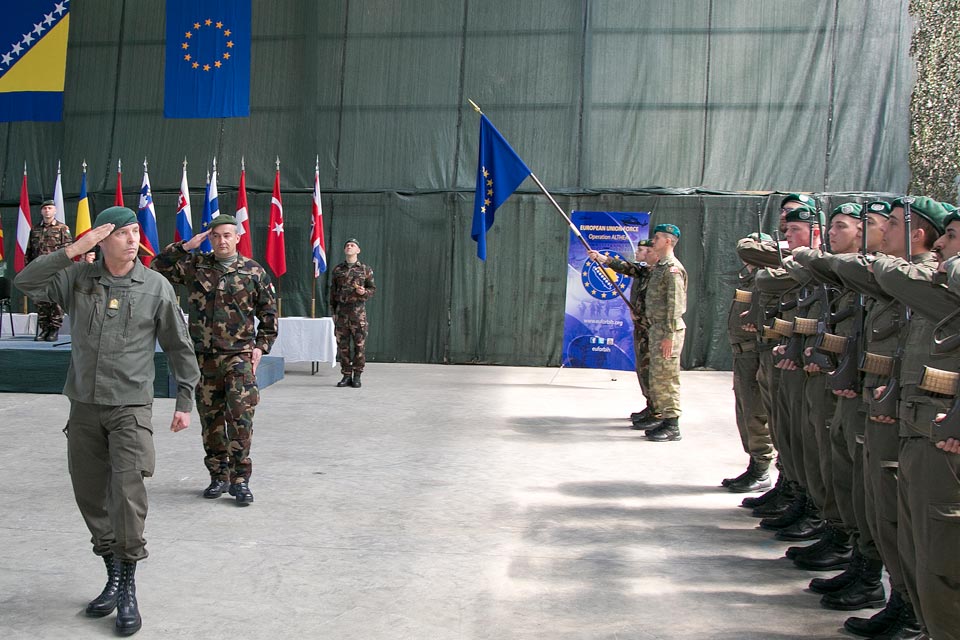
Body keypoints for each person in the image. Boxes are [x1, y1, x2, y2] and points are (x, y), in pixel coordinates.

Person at [14, 206, 200, 636]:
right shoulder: (79, 278)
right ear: (102, 239)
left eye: (136, 231)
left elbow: (179, 346)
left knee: (128, 491)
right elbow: (25, 282)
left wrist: (184, 401)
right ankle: (111, 570)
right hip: (83, 405)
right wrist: (74, 250)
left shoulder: (155, 286)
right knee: (90, 493)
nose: (133, 239)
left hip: (130, 406)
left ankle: (128, 583)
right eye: (122, 233)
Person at [151, 216, 278, 506]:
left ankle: (241, 480)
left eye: (227, 235)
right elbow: (158, 267)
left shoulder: (253, 271)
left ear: (237, 238)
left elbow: (269, 313)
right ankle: (218, 476)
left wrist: (261, 347)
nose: (222, 241)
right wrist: (185, 246)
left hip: (239, 357)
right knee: (211, 422)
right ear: (210, 239)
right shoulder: (196, 266)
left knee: (241, 419)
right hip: (204, 359)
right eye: (216, 236)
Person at [723, 233, 774, 493]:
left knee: (756, 413)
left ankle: (762, 467)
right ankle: (754, 463)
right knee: (744, 412)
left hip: (755, 352)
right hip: (743, 354)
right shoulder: (751, 278)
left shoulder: (772, 278)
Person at [587, 239, 655, 426]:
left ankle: (658, 411)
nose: (638, 253)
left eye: (643, 250)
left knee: (653, 371)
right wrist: (601, 258)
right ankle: (651, 405)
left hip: (653, 329)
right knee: (643, 368)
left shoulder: (660, 272)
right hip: (641, 327)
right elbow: (626, 267)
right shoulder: (645, 270)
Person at [635, 223, 687, 441]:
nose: (652, 241)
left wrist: (668, 336)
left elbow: (675, 306)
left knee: (667, 377)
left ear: (668, 241)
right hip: (656, 328)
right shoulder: (660, 267)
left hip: (667, 331)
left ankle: (672, 424)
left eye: (656, 238)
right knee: (657, 377)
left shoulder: (672, 269)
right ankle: (663, 418)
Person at [330, 238, 376, 388]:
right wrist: (333, 311)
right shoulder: (338, 270)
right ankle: (346, 375)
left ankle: (357, 375)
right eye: (347, 245)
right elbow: (332, 292)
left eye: (353, 245)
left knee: (359, 346)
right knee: (343, 346)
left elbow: (372, 289)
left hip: (358, 313)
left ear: (358, 250)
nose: (349, 247)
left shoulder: (365, 269)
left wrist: (364, 292)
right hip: (341, 313)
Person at [25, 198, 73, 341]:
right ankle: (44, 329)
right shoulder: (35, 229)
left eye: (50, 208)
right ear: (41, 211)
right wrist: (29, 270)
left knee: (55, 299)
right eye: (45, 208)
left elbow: (68, 250)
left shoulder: (62, 228)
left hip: (56, 270)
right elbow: (29, 251)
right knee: (41, 299)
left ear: (55, 211)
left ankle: (54, 329)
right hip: (39, 270)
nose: (47, 211)